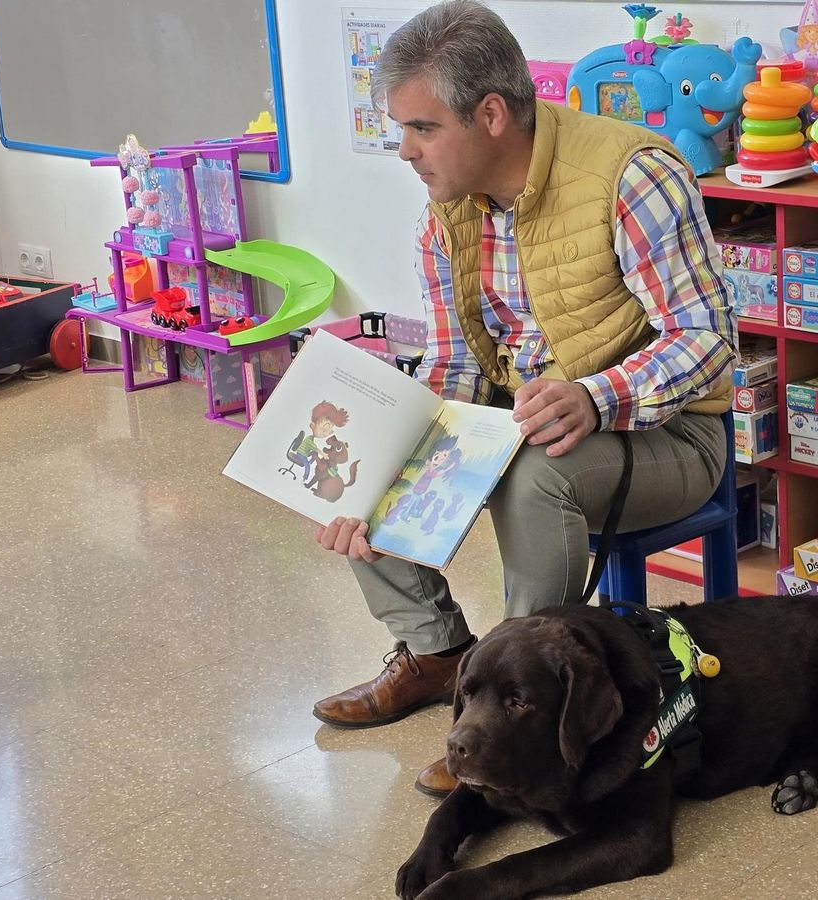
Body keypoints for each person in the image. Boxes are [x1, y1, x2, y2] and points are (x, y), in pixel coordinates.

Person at [310, 0, 736, 798]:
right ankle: (438, 651)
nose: (405, 150)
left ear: (493, 114)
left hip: (673, 437)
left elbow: (709, 337)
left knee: (535, 472)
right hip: (526, 424)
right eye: (399, 128)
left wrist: (597, 396)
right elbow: (451, 368)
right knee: (356, 472)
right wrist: (385, 465)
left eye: (422, 128)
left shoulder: (632, 175)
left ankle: (519, 715)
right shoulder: (446, 214)